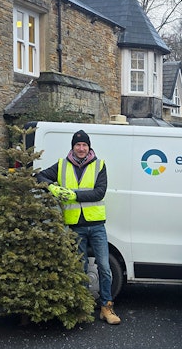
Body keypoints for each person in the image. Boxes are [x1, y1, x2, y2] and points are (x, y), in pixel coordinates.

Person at [35, 129, 121, 325]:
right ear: (72, 147)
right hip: (74, 225)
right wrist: (52, 188)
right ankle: (83, 307)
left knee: (105, 268)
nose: (81, 148)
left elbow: (99, 193)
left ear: (89, 147)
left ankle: (106, 307)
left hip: (96, 225)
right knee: (79, 268)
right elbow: (39, 177)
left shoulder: (99, 165)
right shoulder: (62, 165)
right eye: (78, 145)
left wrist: (72, 195)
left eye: (84, 145)